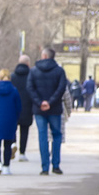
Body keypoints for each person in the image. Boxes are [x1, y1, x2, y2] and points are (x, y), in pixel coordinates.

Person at [27, 47, 68, 175]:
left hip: (39, 110)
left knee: (42, 136)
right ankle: (56, 165)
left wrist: (40, 103)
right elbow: (61, 89)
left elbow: (30, 88)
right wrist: (50, 102)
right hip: (54, 108)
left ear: (44, 56)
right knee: (56, 135)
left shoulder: (34, 71)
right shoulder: (59, 71)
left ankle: (44, 167)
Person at [9, 55, 34, 162]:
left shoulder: (12, 76)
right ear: (28, 63)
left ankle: (13, 143)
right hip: (27, 107)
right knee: (25, 130)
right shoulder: (32, 76)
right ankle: (22, 154)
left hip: (13, 107)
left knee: (12, 129)